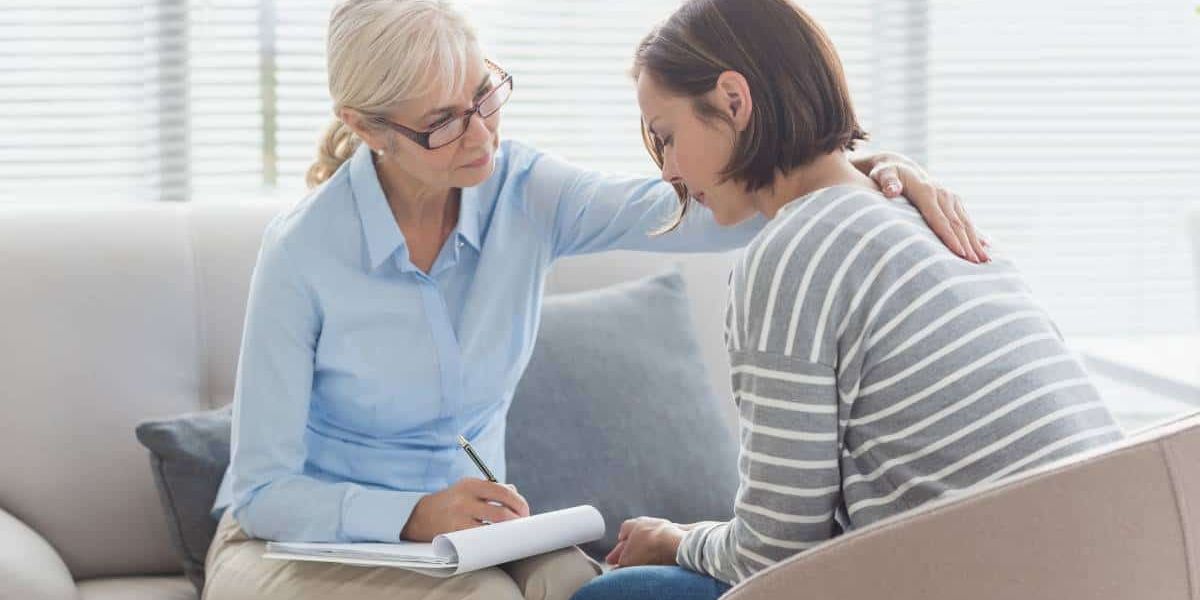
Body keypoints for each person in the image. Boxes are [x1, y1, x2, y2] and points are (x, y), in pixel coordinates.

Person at [201, 1, 984, 599]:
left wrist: (863, 169)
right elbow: (268, 493)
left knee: (591, 592)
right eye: (443, 123)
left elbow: (711, 204)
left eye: (484, 95)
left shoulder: (521, 191)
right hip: (290, 544)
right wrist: (412, 515)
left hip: (474, 536)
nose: (480, 135)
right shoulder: (303, 252)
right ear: (367, 128)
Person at [572, 1, 1123, 598]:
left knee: (618, 593)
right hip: (1121, 554)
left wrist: (674, 539)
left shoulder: (788, 256)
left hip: (996, 575)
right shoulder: (925, 218)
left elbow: (774, 554)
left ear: (734, 100)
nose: (669, 171)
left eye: (668, 136)